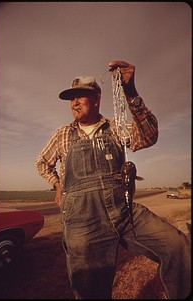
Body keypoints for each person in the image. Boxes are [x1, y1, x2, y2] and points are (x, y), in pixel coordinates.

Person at [35, 60, 191, 299]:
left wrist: (131, 92)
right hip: (83, 222)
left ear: (97, 98)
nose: (74, 103)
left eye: (81, 96)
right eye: (72, 98)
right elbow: (42, 163)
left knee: (176, 246)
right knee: (89, 290)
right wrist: (57, 185)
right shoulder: (63, 134)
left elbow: (149, 136)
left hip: (124, 211)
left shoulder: (115, 128)